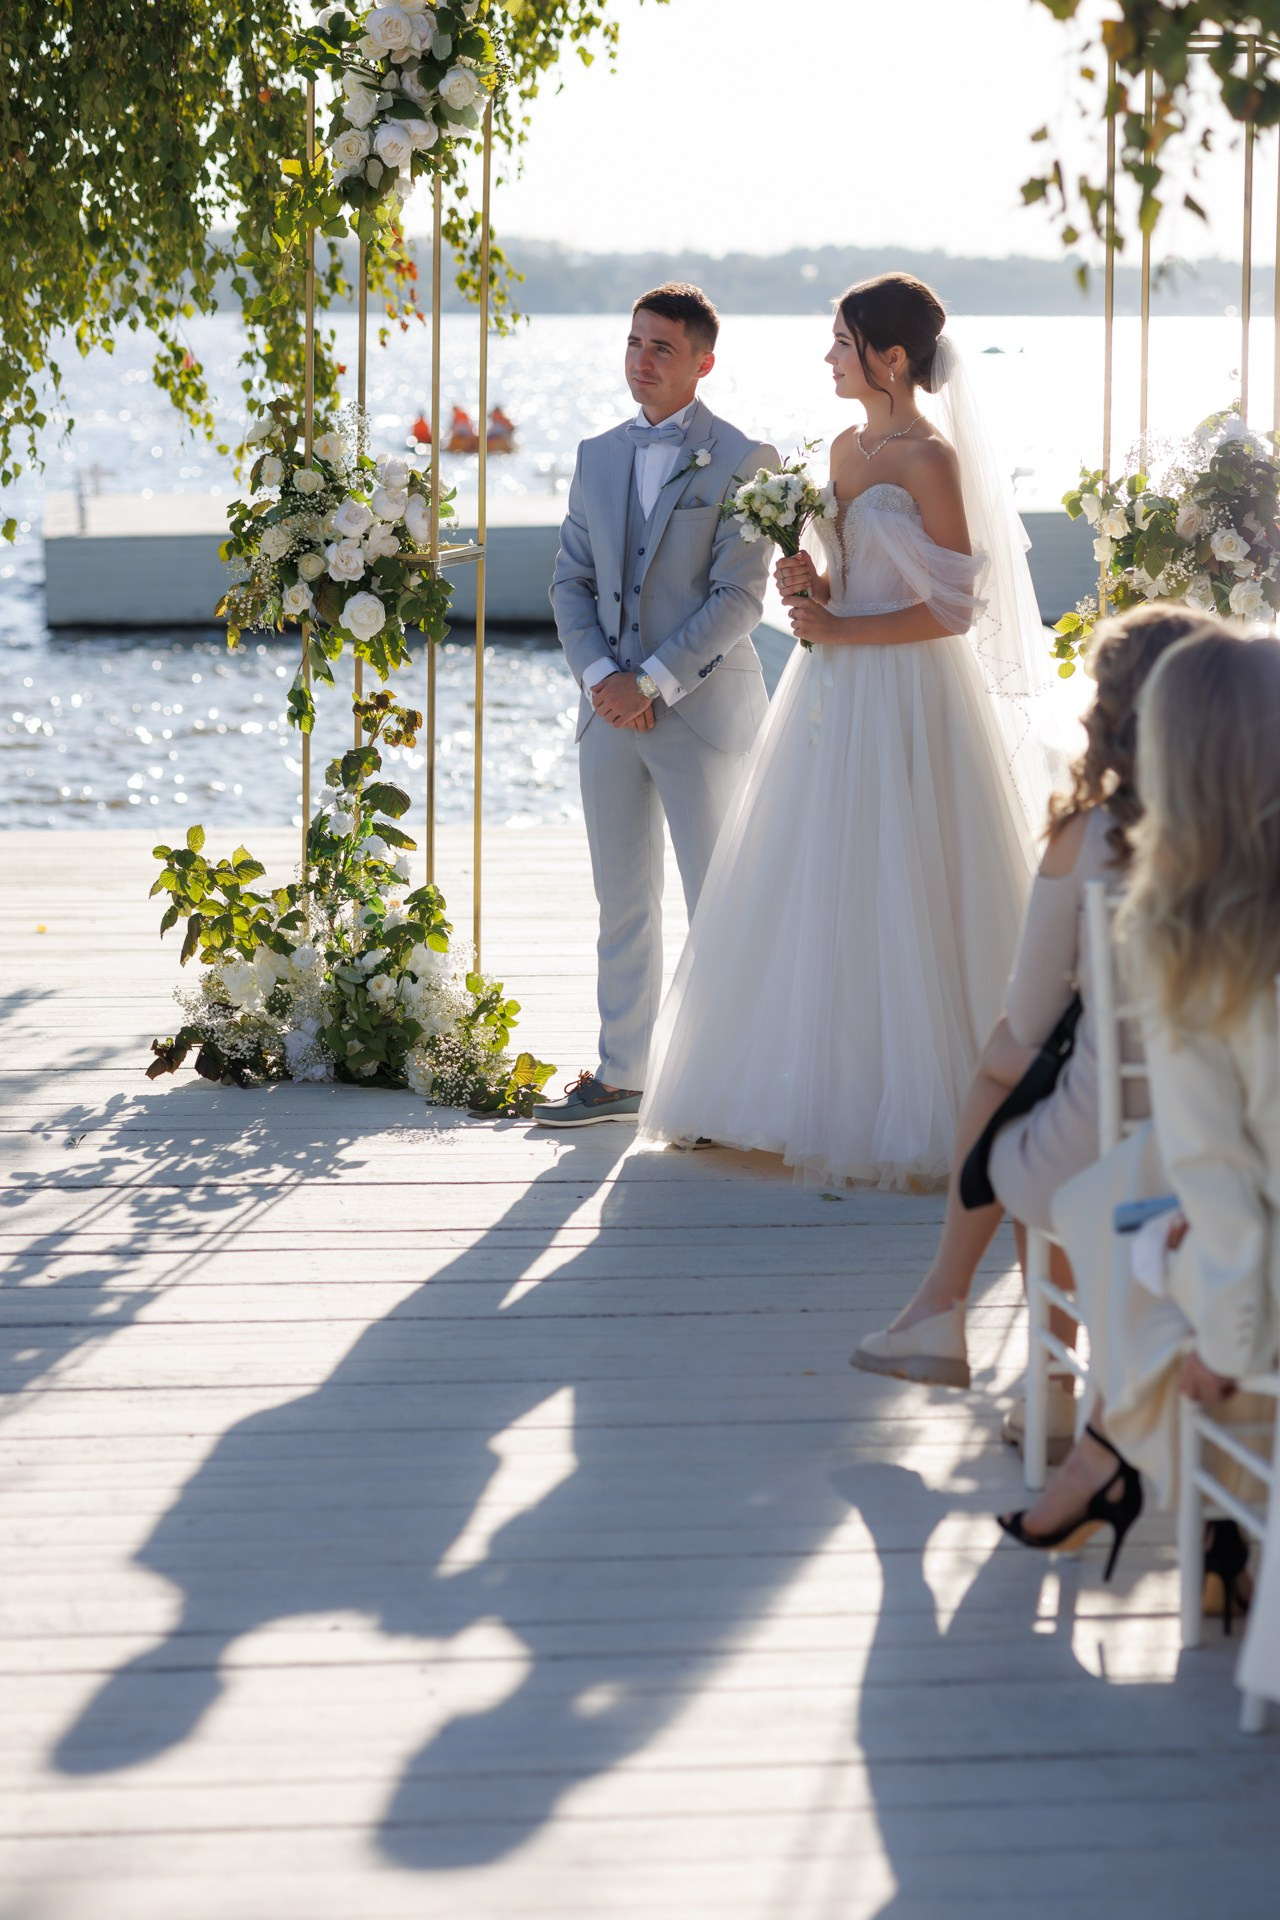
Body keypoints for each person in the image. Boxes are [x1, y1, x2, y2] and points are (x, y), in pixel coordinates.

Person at [639, 272, 1049, 1187]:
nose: (828, 356)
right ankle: (825, 1087)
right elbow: (847, 571)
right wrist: (810, 590)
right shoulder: (842, 445)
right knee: (829, 876)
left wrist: (845, 627)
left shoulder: (929, 461)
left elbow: (952, 610)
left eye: (841, 342)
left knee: (912, 882)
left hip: (912, 691)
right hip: (836, 685)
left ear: (890, 358)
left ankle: (925, 1098)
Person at [851, 605, 1216, 1449]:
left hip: (1125, 1155)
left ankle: (1002, 1346)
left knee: (1015, 1082)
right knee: (1032, 1080)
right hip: (1242, 1150)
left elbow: (1028, 1021)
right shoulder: (1254, 838)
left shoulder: (1091, 841)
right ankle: (953, 1321)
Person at [1001, 632, 1280, 1666]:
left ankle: (1123, 1461)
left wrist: (1225, 1336)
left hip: (1247, 1242)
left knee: (1133, 1231)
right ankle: (1169, 1499)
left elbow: (1227, 1190)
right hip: (1236, 1201)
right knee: (1132, 1208)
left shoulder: (1187, 933)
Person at [534, 283, 777, 1126]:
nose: (642, 360)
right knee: (621, 899)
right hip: (606, 712)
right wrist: (603, 676)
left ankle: (728, 1086)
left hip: (701, 712)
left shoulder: (746, 459)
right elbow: (570, 578)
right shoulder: (596, 453)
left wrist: (653, 682)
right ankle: (622, 1073)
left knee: (719, 899)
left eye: (662, 348)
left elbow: (739, 599)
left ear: (703, 363)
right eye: (635, 343)